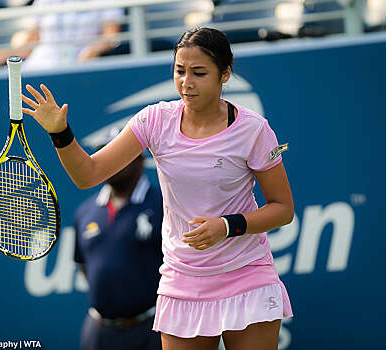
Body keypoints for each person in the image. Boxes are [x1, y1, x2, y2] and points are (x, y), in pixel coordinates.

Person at [22, 27, 294, 350]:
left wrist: (226, 226)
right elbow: (88, 174)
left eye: (199, 73)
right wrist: (60, 132)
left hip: (246, 276)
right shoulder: (154, 120)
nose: (186, 82)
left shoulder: (254, 130)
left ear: (225, 75)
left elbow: (282, 209)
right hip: (184, 280)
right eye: (179, 71)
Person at [73, 128, 163, 350]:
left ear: (140, 159)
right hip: (99, 333)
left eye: (116, 153)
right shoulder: (85, 211)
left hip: (153, 329)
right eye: (103, 154)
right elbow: (85, 266)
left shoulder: (164, 204)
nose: (109, 161)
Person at [0, 0, 123, 70]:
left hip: (76, 68)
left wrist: (91, 51)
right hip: (37, 67)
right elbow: (28, 45)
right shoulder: (45, 1)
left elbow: (110, 37)